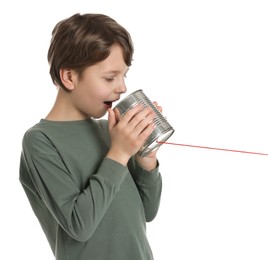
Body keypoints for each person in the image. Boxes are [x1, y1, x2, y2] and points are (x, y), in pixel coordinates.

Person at [19, 13, 163, 260]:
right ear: (69, 77)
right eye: (110, 77)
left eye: (124, 75)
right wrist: (118, 153)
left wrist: (144, 159)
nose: (122, 87)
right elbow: (79, 226)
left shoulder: (109, 132)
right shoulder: (40, 141)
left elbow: (147, 212)